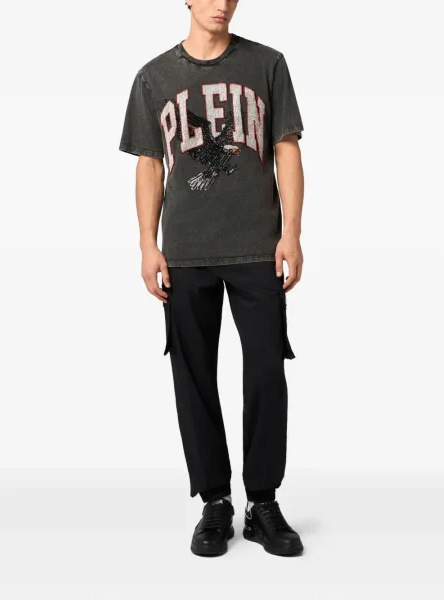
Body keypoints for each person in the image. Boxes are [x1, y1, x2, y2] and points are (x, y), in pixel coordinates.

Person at [119, 0, 305, 557]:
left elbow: (286, 149)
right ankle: (215, 502)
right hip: (185, 252)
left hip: (257, 246)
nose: (221, 4)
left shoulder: (267, 64)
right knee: (193, 375)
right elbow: (150, 163)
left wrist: (292, 233)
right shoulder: (154, 76)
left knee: (266, 371)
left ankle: (263, 502)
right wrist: (147, 242)